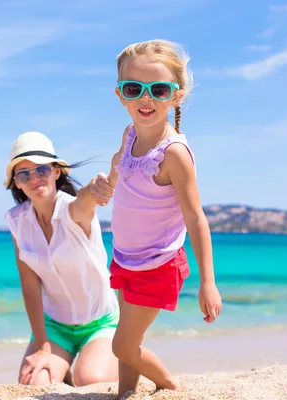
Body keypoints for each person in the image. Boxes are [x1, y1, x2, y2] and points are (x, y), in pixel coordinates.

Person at [93, 39, 223, 398]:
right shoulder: (130, 133)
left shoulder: (174, 153)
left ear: (175, 96)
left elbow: (196, 218)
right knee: (127, 336)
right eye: (134, 88)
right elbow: (120, 162)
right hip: (125, 257)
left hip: (158, 264)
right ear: (120, 94)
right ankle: (126, 393)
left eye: (158, 89)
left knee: (122, 346)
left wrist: (207, 282)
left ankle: (169, 385)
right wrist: (108, 185)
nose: (145, 99)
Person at [3, 131, 119, 387]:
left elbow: (85, 199)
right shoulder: (16, 221)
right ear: (17, 183)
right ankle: (62, 363)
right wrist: (42, 346)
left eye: (41, 169)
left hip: (101, 321)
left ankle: (115, 358)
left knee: (89, 379)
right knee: (33, 383)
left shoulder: (73, 210)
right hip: (55, 326)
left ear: (56, 172)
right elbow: (30, 286)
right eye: (24, 174)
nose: (34, 179)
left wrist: (95, 187)